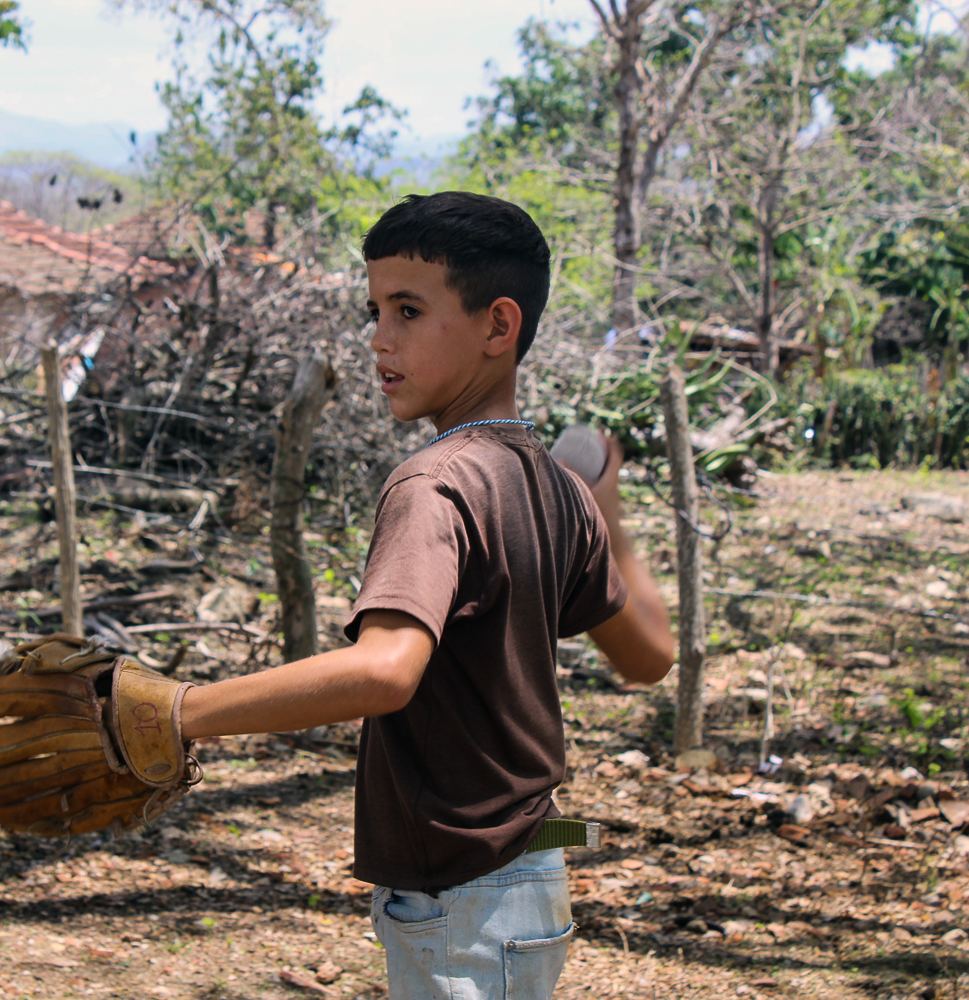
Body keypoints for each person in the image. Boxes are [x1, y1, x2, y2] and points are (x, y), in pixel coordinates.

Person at [179, 192, 674, 999]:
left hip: (464, 902)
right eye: (375, 309)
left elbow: (385, 670)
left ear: (498, 326)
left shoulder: (435, 481)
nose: (380, 339)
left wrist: (180, 711)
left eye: (409, 309)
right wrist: (609, 518)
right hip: (526, 880)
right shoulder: (553, 487)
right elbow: (649, 658)